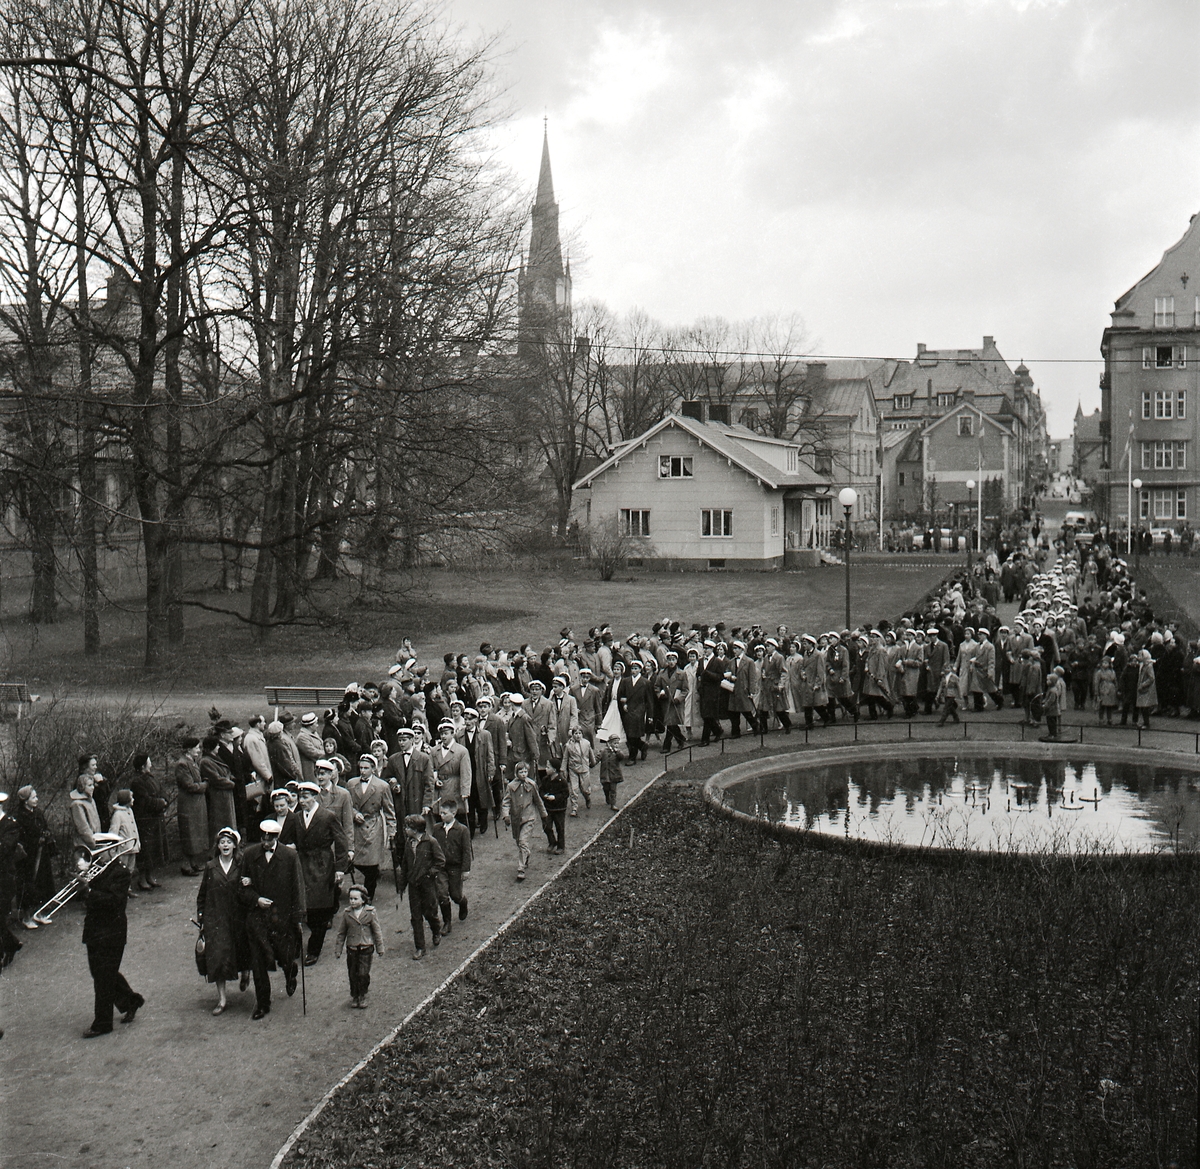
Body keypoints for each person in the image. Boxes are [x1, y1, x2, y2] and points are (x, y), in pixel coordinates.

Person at [239, 819, 305, 1020]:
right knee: (258, 961)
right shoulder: (250, 855)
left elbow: (298, 887)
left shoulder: (290, 856)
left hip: (281, 916)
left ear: (276, 838)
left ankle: (290, 970)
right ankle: (263, 1003)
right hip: (257, 917)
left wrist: (298, 917)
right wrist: (256, 899)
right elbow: (242, 888)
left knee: (284, 955)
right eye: (262, 839)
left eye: (269, 840)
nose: (265, 843)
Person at [80, 833, 144, 1038]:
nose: (98, 854)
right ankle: (131, 1000)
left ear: (113, 850)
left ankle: (102, 1023)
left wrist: (89, 891)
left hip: (112, 931)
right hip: (93, 930)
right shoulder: (93, 869)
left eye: (102, 849)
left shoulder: (121, 872)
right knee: (100, 973)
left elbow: (116, 901)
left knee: (103, 977)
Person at [280, 780, 349, 967]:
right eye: (300, 797)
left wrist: (340, 869)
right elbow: (287, 839)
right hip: (301, 864)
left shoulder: (327, 816)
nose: (302, 801)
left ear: (315, 796)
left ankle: (313, 949)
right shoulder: (295, 818)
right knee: (302, 905)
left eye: (306, 797)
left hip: (322, 864)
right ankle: (297, 945)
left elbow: (342, 842)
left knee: (320, 907)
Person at [196, 826, 251, 1015]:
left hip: (238, 917)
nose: (225, 845)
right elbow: (202, 894)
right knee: (217, 958)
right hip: (216, 918)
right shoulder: (211, 867)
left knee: (242, 951)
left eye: (229, 842)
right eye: (222, 842)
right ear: (217, 846)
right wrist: (202, 917)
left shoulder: (242, 864)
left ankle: (246, 972)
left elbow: (251, 887)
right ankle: (222, 999)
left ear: (235, 845)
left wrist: (248, 882)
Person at [346, 754, 395, 903]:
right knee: (355, 861)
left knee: (372, 866)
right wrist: (354, 813)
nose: (363, 771)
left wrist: (392, 832)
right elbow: (347, 805)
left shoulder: (382, 786)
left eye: (366, 768)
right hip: (356, 827)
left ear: (373, 769)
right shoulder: (351, 783)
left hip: (373, 827)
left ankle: (368, 898)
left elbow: (389, 811)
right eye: (361, 768)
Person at [397, 814, 443, 960]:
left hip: (427, 884)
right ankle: (420, 947)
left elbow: (440, 861)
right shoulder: (408, 843)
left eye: (407, 827)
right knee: (415, 916)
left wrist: (430, 874)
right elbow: (405, 864)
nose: (405, 830)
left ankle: (436, 929)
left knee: (429, 912)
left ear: (416, 829)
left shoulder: (430, 842)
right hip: (413, 885)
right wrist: (402, 884)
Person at [333, 884, 385, 1008]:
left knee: (363, 973)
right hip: (352, 948)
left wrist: (380, 947)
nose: (352, 901)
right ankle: (355, 996)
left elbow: (377, 931)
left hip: (366, 947)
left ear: (363, 899)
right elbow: (341, 933)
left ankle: (362, 994)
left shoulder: (370, 912)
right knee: (352, 973)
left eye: (355, 899)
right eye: (350, 898)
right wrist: (338, 949)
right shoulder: (347, 914)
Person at [15, 786, 56, 928]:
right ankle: (26, 917)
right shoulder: (20, 817)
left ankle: (39, 913)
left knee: (43, 883)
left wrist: (46, 834)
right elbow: (20, 838)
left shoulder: (38, 813)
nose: (36, 799)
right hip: (28, 858)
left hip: (41, 854)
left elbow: (45, 827)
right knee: (28, 884)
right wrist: (35, 841)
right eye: (33, 797)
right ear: (25, 801)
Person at [500, 761, 548, 882]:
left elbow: (538, 801)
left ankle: (521, 869)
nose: (523, 774)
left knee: (522, 841)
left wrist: (544, 815)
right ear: (516, 773)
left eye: (525, 771)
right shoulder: (511, 786)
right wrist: (505, 815)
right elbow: (506, 802)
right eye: (521, 772)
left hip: (529, 817)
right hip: (516, 819)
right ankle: (526, 854)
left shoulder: (531, 784)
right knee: (519, 841)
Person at [431, 799, 472, 932]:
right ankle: (447, 922)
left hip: (455, 867)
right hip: (441, 868)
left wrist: (465, 870)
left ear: (453, 813)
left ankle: (462, 902)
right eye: (440, 813)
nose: (441, 815)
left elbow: (466, 851)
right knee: (442, 894)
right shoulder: (437, 829)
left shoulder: (462, 830)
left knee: (455, 894)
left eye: (444, 813)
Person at [128, 754, 166, 891]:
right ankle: (142, 878)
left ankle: (150, 876)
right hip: (145, 820)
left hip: (155, 818)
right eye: (149, 762)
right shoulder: (137, 782)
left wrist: (163, 800)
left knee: (155, 848)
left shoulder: (152, 778)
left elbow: (161, 792)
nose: (151, 764)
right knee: (146, 850)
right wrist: (160, 802)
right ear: (143, 766)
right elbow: (145, 801)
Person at [175, 738, 209, 876]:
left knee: (195, 833)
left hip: (196, 804)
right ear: (189, 749)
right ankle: (186, 864)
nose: (199, 750)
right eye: (196, 748)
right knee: (189, 834)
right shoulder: (182, 764)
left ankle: (193, 862)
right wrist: (204, 785)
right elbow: (189, 785)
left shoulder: (191, 761)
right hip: (188, 804)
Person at [201, 735, 238, 844]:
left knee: (227, 820)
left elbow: (225, 772)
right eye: (217, 745)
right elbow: (216, 779)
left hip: (225, 794)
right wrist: (231, 783)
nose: (218, 747)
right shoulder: (205, 761)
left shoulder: (214, 758)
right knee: (221, 822)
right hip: (218, 796)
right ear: (212, 747)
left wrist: (230, 778)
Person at [0, 793, 22, 966]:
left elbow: (4, 850)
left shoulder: (10, 825)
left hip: (4, 879)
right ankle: (11, 944)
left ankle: (8, 946)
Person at [107, 791, 141, 894]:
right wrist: (113, 848)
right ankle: (121, 890)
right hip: (123, 849)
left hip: (132, 847)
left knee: (130, 869)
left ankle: (128, 889)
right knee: (122, 870)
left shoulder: (130, 811)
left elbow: (134, 828)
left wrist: (137, 842)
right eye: (131, 798)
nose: (133, 800)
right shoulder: (117, 815)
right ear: (126, 800)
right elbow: (113, 832)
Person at [69, 772, 102, 864]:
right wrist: (93, 843)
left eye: (93, 785)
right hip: (84, 845)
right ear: (82, 787)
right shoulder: (77, 804)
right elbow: (83, 827)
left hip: (96, 842)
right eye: (89, 785)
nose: (92, 788)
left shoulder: (91, 801)